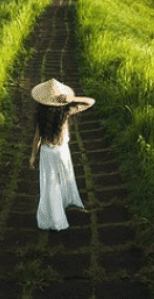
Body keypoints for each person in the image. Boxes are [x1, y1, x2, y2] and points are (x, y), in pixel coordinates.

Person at [29, 78, 95, 231]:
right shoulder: (63, 111)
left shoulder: (53, 113)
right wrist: (72, 99)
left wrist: (33, 155)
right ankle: (59, 215)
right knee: (58, 182)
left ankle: (60, 213)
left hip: (54, 152)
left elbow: (37, 138)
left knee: (57, 182)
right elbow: (90, 101)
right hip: (56, 152)